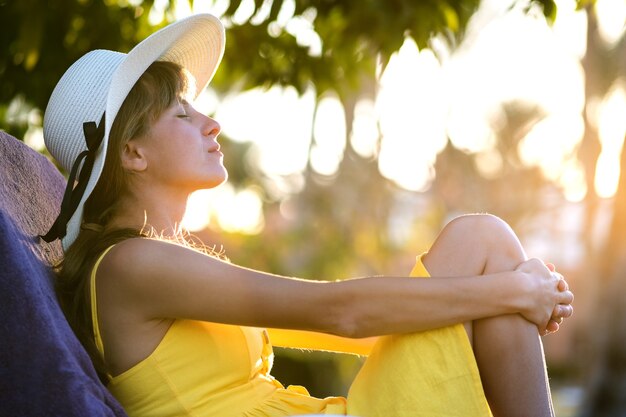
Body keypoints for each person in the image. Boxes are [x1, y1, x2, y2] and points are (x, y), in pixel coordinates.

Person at [40, 14, 573, 417]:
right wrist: (515, 291)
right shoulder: (131, 266)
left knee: (490, 254)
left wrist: (510, 291)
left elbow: (357, 332)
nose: (212, 123)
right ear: (131, 153)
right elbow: (340, 312)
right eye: (183, 113)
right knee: (483, 241)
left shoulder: (159, 261)